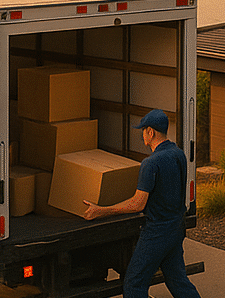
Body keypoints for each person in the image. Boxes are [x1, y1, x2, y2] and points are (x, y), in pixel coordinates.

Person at [83, 109, 201, 298]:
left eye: (143, 130)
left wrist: (102, 211)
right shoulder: (178, 154)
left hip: (157, 233)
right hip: (176, 228)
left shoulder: (151, 163)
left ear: (150, 132)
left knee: (134, 285)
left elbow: (137, 204)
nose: (142, 134)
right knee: (178, 281)